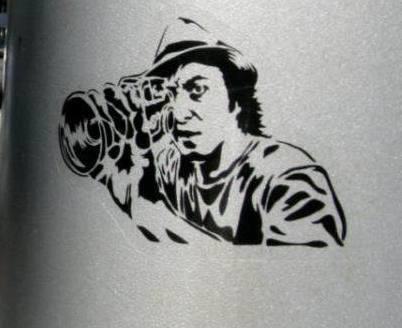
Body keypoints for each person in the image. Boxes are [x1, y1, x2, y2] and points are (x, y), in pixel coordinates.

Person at [60, 17, 346, 247]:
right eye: (170, 94)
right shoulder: (173, 168)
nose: (179, 111)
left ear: (236, 97)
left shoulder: (286, 178)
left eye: (196, 90)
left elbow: (306, 286)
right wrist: (112, 160)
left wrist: (144, 207)